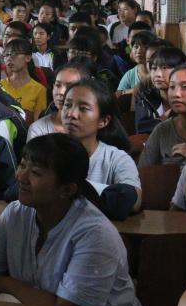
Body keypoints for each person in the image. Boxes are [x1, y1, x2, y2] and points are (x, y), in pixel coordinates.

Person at [0, 134, 142, 306]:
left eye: (36, 173)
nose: (21, 177)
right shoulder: (15, 213)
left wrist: (6, 284)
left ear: (67, 190)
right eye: (22, 165)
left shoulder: (96, 234)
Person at [61, 80, 142, 214]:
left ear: (103, 121)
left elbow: (134, 200)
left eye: (83, 108)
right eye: (67, 105)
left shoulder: (116, 159)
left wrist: (77, 189)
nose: (71, 114)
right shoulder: (48, 153)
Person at [139, 63, 186, 167]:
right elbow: (143, 172)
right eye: (172, 87)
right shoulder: (162, 130)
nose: (176, 94)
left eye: (185, 87)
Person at [27, 60, 93, 139]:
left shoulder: (93, 129)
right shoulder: (38, 129)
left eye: (70, 86)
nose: (61, 92)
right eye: (58, 85)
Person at [0, 40, 47, 121]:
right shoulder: (0, 85)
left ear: (28, 58)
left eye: (14, 53)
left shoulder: (39, 89)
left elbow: (37, 123)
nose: (9, 58)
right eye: (6, 55)